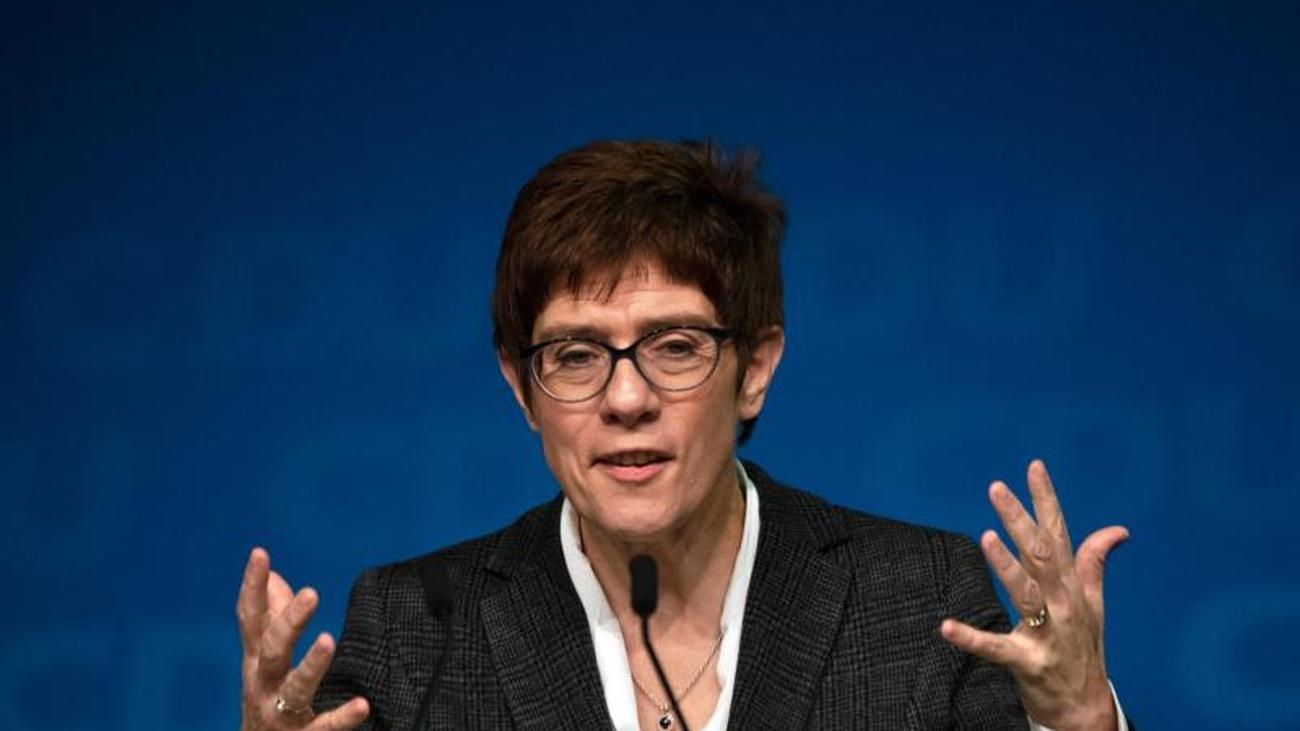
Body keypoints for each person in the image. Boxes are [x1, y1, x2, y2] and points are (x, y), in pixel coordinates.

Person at [237, 140, 1131, 730]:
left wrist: (1078, 717)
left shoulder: (917, 600)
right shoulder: (416, 630)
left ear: (756, 365)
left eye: (674, 346)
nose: (626, 398)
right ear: (521, 386)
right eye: (576, 355)